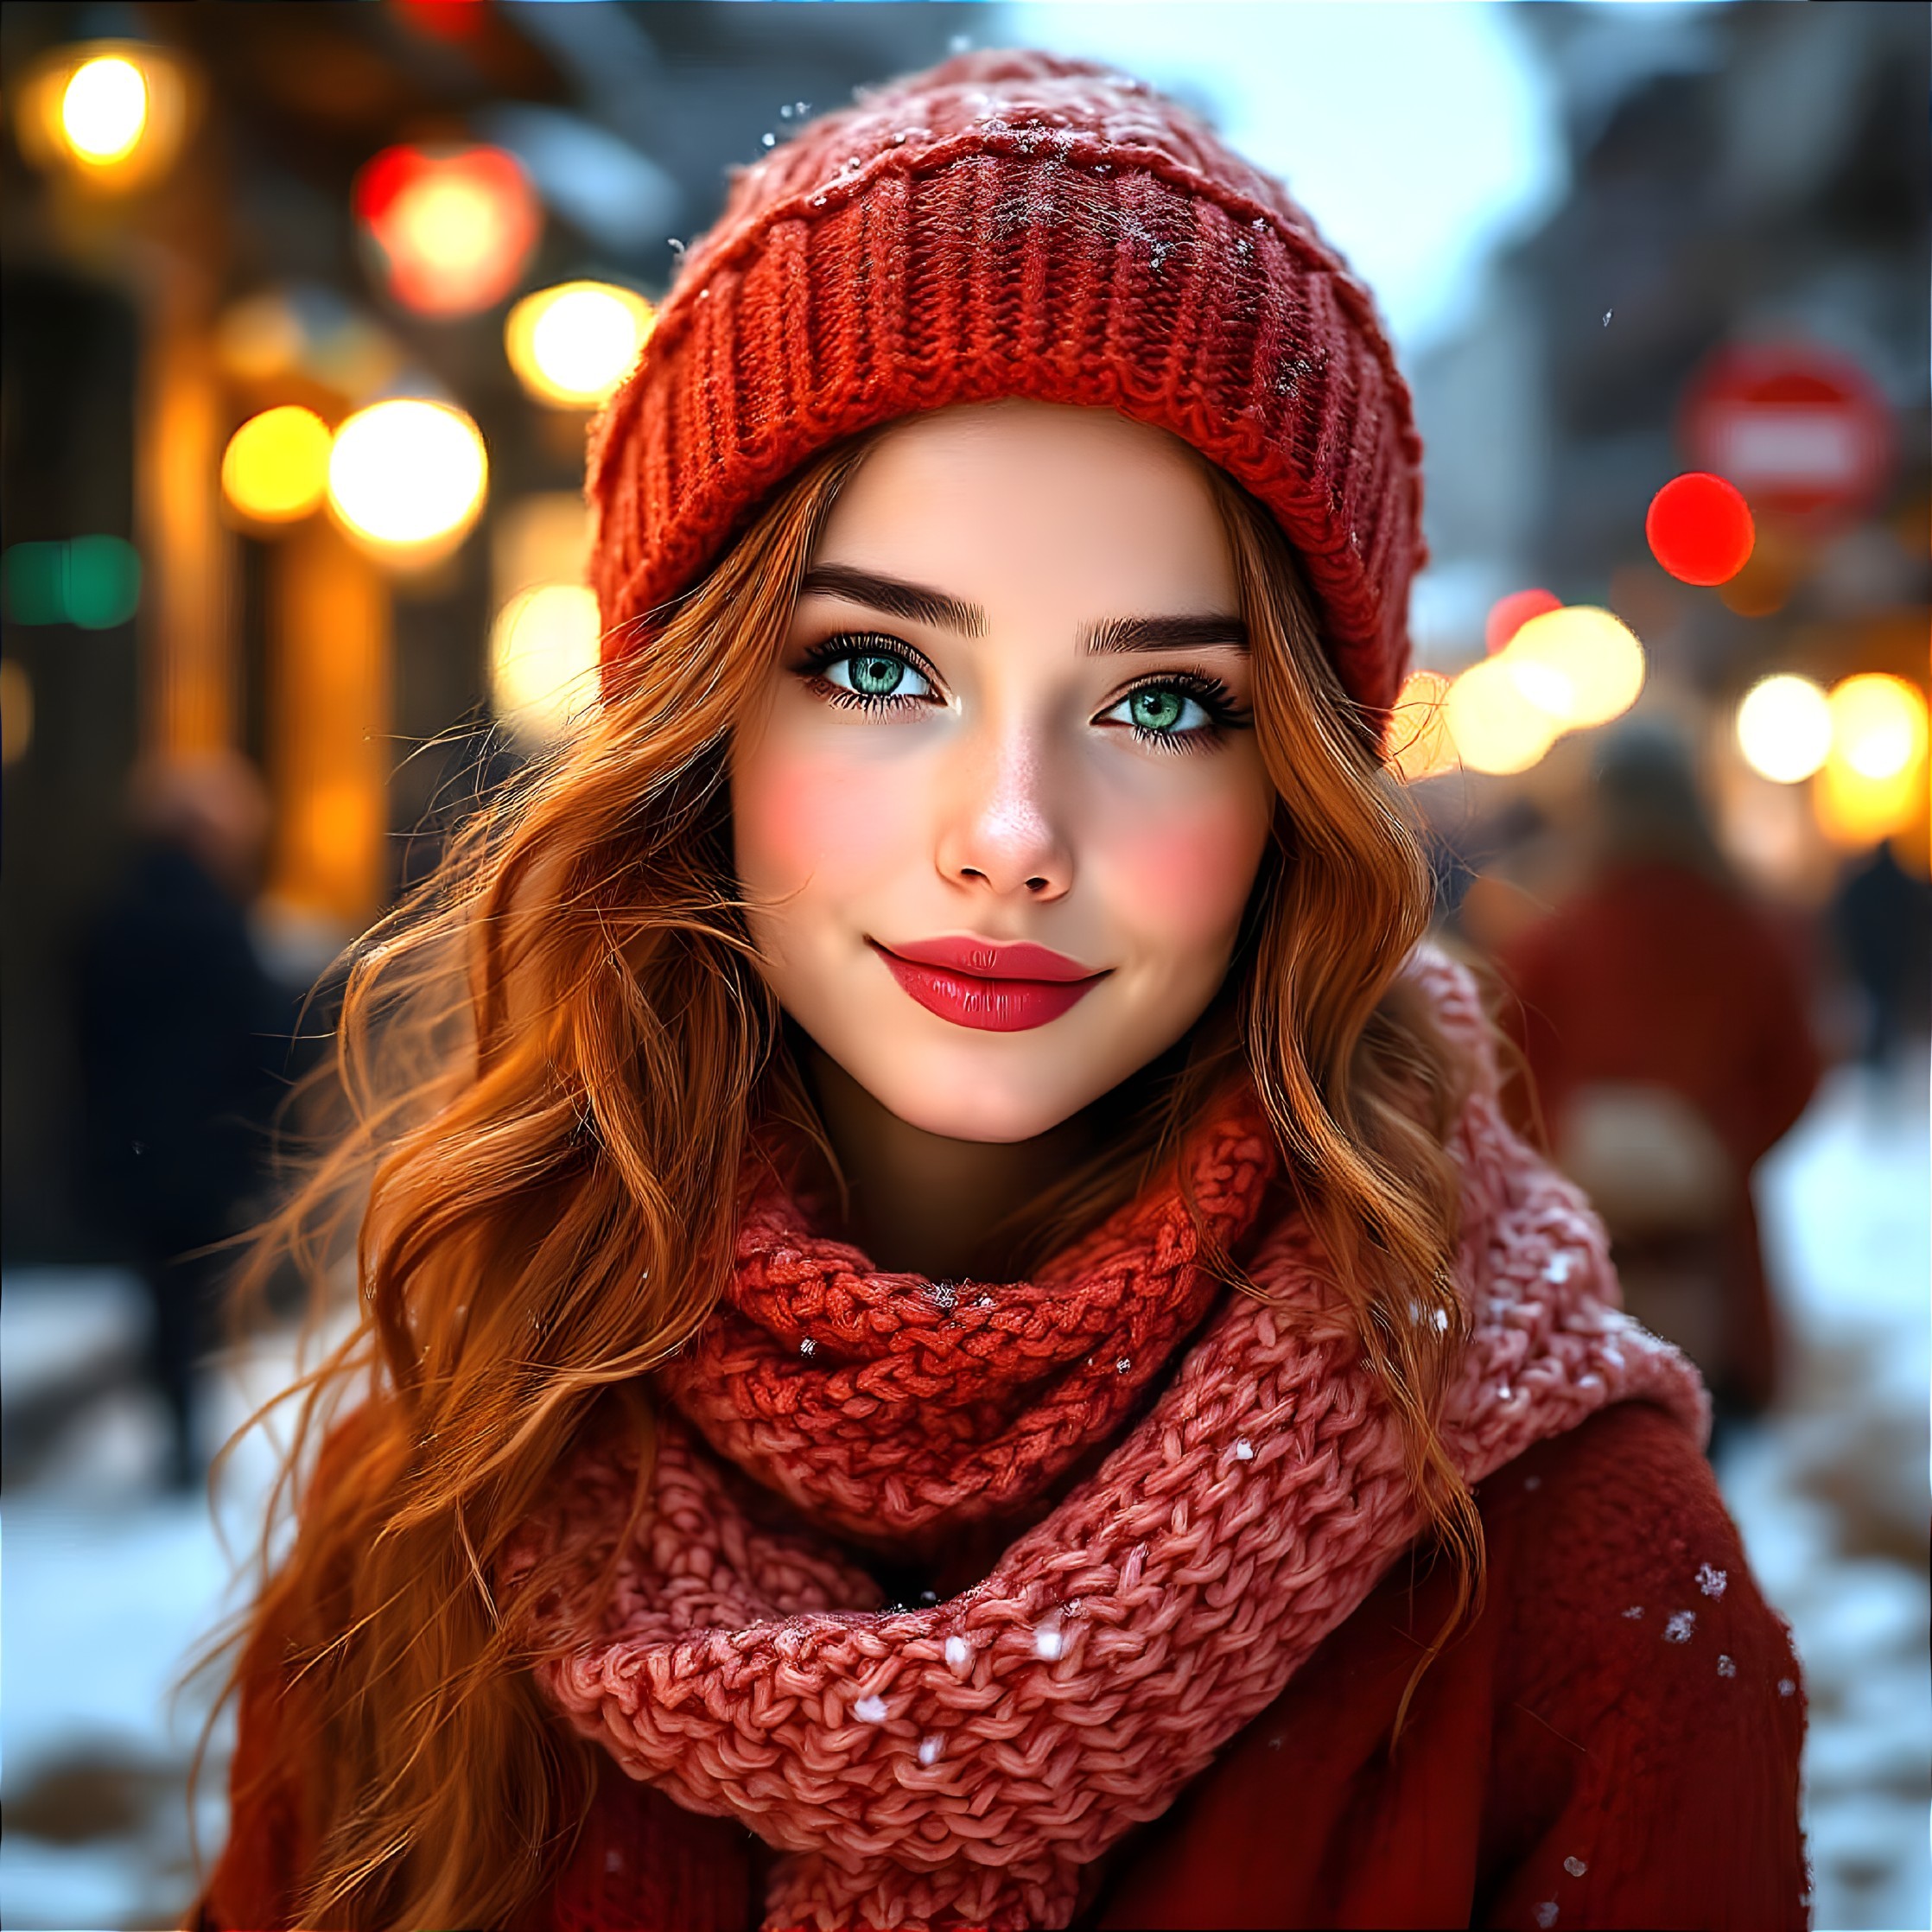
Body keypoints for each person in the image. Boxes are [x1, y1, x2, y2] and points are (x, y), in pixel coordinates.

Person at [196, 55, 1807, 1932]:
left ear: (1297, 786)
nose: (1013, 833)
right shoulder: (452, 1481)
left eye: (1163, 701)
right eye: (877, 666)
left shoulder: (1566, 1573)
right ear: (691, 727)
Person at [1496, 725, 1822, 1432]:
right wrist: (1723, 1148)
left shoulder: (1555, 929)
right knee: (1710, 1447)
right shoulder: (1748, 928)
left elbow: (1508, 1076)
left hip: (1585, 1236)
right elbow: (1798, 1071)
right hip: (1711, 1244)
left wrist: (1562, 1144)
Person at [76, 750, 285, 1490]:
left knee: (163, 1287)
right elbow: (259, 1037)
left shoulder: (114, 915)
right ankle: (184, 1426)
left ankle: (179, 1422)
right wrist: (257, 1125)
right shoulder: (218, 922)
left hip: (137, 1139)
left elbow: (88, 1040)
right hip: (205, 1140)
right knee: (194, 1287)